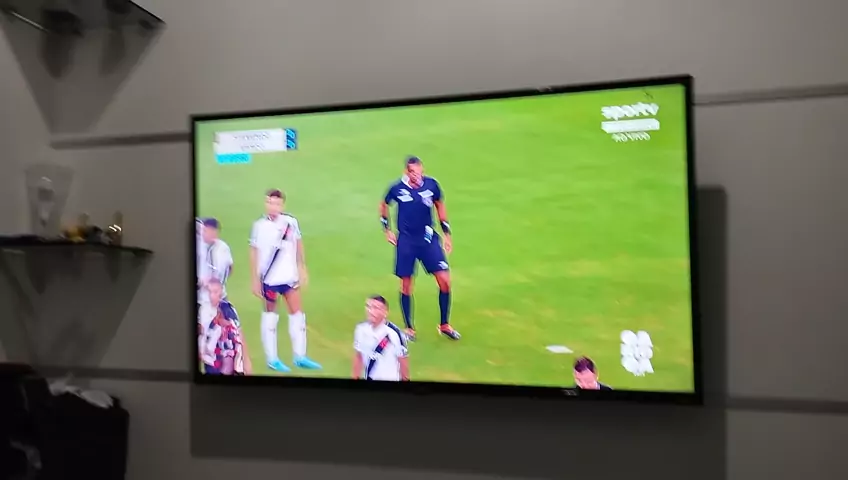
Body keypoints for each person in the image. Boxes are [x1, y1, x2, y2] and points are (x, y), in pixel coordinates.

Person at [379, 156, 459, 341]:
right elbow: (383, 204)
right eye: (414, 173)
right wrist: (387, 229)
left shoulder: (431, 185)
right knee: (406, 284)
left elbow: (440, 205)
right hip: (406, 240)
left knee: (445, 280)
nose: (418, 176)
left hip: (428, 238)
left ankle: (444, 325)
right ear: (406, 172)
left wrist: (447, 233)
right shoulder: (397, 188)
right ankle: (409, 328)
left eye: (420, 172)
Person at [249, 189, 321, 372]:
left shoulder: (291, 222)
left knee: (298, 316)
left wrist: (302, 267)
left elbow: (298, 244)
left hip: (289, 277)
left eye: (276, 203)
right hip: (269, 279)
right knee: (270, 318)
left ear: (282, 205)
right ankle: (272, 359)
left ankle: (300, 356)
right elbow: (254, 252)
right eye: (269, 202)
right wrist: (255, 279)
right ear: (265, 203)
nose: (273, 206)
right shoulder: (259, 226)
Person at [200, 279, 252, 375]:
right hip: (211, 362)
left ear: (221, 292)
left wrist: (247, 363)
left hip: (226, 359)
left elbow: (239, 335)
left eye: (215, 292)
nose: (212, 295)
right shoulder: (203, 312)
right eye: (210, 292)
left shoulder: (228, 310)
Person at [352, 295, 410, 381]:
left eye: (376, 308)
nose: (371, 311)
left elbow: (403, 363)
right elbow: (359, 357)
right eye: (368, 306)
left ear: (385, 312)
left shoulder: (395, 334)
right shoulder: (360, 329)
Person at [197, 217, 233, 305]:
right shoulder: (199, 246)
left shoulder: (223, 248)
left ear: (215, 232)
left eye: (207, 231)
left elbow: (229, 268)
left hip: (217, 297)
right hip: (202, 298)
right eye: (204, 230)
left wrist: (215, 284)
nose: (203, 233)